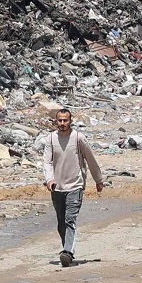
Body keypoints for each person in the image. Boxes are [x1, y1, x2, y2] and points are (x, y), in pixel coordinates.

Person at [40, 107, 105, 268]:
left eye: (65, 120)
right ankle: (66, 250)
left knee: (70, 219)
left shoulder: (78, 138)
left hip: (75, 186)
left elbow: (91, 159)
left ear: (71, 121)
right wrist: (49, 179)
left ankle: (68, 252)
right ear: (55, 121)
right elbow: (47, 162)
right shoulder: (50, 139)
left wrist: (98, 179)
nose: (62, 123)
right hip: (57, 187)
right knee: (61, 222)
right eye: (59, 120)